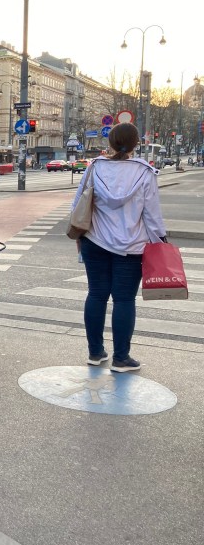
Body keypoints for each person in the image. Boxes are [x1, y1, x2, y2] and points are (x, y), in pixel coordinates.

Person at [73, 122, 166, 372]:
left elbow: (79, 203)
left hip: (95, 241)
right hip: (131, 247)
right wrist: (161, 243)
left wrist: (81, 236)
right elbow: (152, 216)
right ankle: (121, 358)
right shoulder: (145, 173)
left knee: (96, 294)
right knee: (124, 300)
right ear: (136, 144)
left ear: (111, 143)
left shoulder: (94, 168)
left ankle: (95, 353)